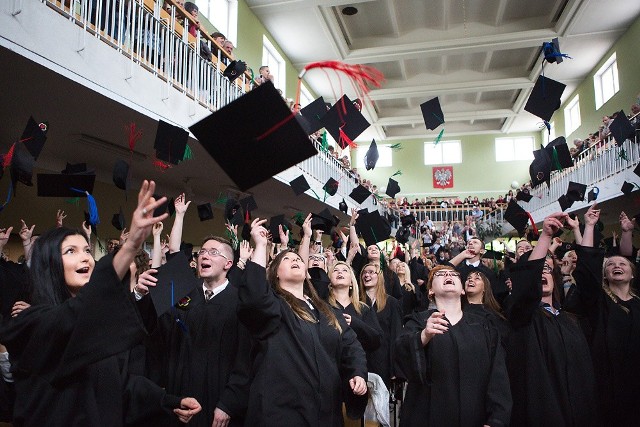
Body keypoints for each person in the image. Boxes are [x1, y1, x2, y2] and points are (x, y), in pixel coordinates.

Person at [0, 181, 201, 426]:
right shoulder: (33, 322)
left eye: (86, 250)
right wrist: (130, 246)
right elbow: (72, 317)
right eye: (70, 251)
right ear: (49, 264)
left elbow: (120, 384)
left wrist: (168, 401)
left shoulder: (99, 327)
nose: (85, 256)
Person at [237, 218, 368, 426]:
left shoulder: (326, 310)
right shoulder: (274, 306)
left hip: (326, 412)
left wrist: (357, 373)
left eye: (297, 258)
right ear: (275, 274)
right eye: (287, 260)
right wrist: (261, 246)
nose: (295, 260)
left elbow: (351, 345)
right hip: (282, 411)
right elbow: (253, 297)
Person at [146, 194, 251, 427]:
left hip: (218, 400)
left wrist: (228, 404)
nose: (204, 255)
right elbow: (173, 255)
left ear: (228, 264)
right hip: (182, 395)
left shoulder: (240, 302)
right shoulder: (187, 294)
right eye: (202, 251)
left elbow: (244, 361)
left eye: (213, 252)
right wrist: (180, 215)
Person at [505, 212, 598, 426]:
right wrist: (545, 236)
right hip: (544, 411)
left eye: (548, 269)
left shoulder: (571, 318)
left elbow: (590, 284)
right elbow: (526, 285)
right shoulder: (523, 316)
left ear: (555, 279)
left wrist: (588, 227)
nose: (542, 273)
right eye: (539, 269)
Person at [395, 265, 512, 426]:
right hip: (427, 416)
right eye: (441, 274)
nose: (448, 275)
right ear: (430, 291)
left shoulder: (484, 326)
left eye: (453, 274)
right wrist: (423, 336)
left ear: (462, 290)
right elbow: (401, 356)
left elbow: (498, 377)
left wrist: (497, 420)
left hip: (475, 417)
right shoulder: (418, 322)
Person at [572, 208, 640, 425]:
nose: (617, 266)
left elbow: (627, 256)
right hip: (608, 388)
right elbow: (587, 267)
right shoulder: (598, 301)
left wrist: (627, 233)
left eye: (622, 264)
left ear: (632, 272)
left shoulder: (639, 303)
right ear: (604, 274)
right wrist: (589, 226)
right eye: (610, 264)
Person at [359, 262, 403, 388]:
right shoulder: (356, 302)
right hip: (361, 360)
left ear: (380, 277)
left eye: (371, 272)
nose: (367, 275)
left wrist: (395, 367)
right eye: (364, 273)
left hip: (383, 360)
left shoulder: (392, 303)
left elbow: (396, 335)